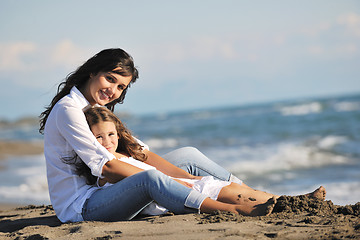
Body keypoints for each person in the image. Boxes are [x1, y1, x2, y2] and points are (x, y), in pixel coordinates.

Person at [39, 48, 325, 223]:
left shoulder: (95, 108)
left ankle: (272, 198)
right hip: (84, 205)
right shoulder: (69, 110)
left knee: (188, 156)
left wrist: (190, 179)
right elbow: (107, 167)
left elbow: (141, 154)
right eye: (109, 79)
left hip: (106, 190)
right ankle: (233, 210)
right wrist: (175, 182)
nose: (113, 90)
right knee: (152, 178)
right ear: (92, 73)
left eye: (121, 87)